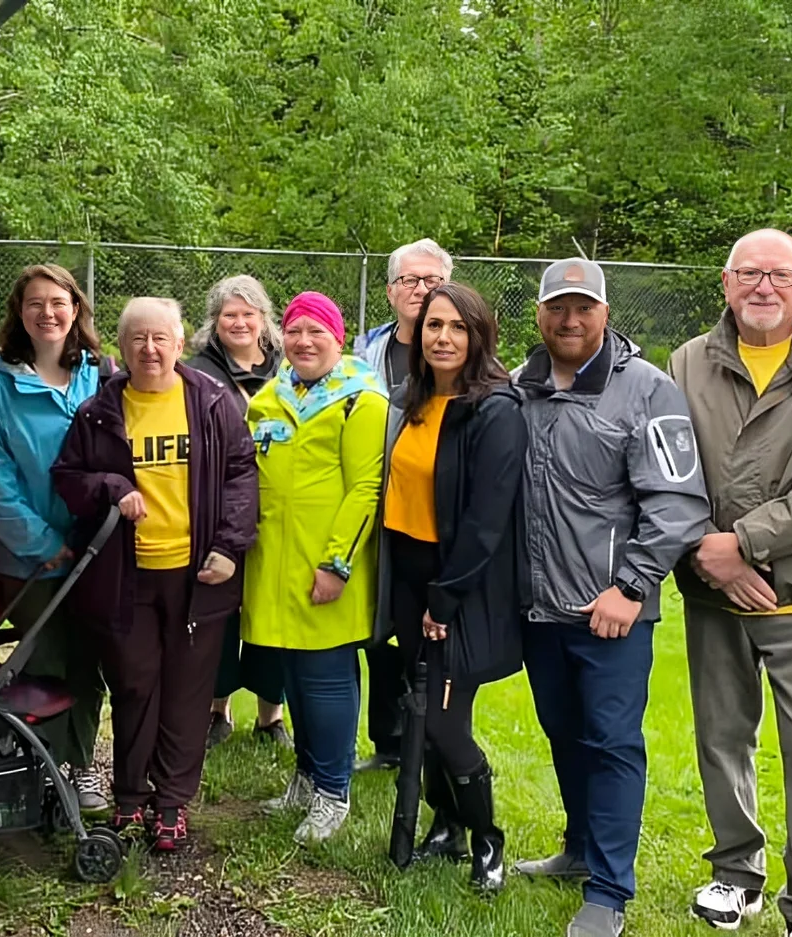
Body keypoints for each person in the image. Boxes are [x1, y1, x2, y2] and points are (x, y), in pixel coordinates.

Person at [668, 229, 792, 937]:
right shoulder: (687, 361)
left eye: (780, 275)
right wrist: (707, 553)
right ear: (726, 283)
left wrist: (745, 545)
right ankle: (735, 874)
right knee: (722, 739)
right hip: (712, 596)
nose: (764, 286)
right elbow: (669, 472)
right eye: (750, 273)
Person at [511, 258, 708, 937]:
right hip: (540, 610)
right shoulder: (521, 386)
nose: (570, 320)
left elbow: (679, 504)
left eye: (583, 307)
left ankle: (609, 892)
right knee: (564, 733)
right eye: (557, 307)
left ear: (604, 311)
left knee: (613, 743)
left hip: (612, 614)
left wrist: (630, 587)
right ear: (539, 313)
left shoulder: (649, 390)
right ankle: (578, 848)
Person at [52, 296, 257, 852]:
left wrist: (229, 546)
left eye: (160, 337)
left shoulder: (210, 401)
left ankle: (171, 804)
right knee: (134, 684)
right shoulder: (99, 412)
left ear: (180, 342)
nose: (149, 349)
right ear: (121, 346)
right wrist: (113, 487)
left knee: (187, 692)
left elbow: (241, 474)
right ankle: (130, 796)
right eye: (138, 338)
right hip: (127, 576)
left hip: (197, 576)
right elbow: (69, 478)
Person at [377, 282, 527, 891]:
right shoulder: (411, 400)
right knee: (419, 713)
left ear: (479, 335)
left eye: (457, 327)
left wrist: (445, 598)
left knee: (442, 722)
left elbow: (486, 520)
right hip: (407, 579)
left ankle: (488, 839)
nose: (443, 337)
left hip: (457, 586)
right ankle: (447, 824)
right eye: (434, 325)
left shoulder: (496, 411)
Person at [244, 292, 388, 844]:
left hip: (327, 567)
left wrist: (336, 564)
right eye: (294, 331)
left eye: (316, 332)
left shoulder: (361, 402)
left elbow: (366, 489)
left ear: (338, 338)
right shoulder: (268, 400)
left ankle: (333, 791)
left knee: (326, 680)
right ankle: (305, 778)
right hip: (273, 567)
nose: (304, 342)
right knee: (294, 680)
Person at [0, 263, 111, 811]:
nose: (47, 313)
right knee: (46, 666)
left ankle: (81, 769)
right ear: (20, 313)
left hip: (98, 553)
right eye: (35, 303)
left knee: (88, 666)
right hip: (32, 560)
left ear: (75, 310)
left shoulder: (101, 375)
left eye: (58, 302)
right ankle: (44, 773)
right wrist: (42, 542)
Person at [352, 238, 454, 772]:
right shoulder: (365, 355)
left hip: (434, 522)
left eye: (432, 280)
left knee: (430, 639)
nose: (420, 289)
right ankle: (388, 742)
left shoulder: (463, 353)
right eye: (409, 280)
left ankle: (437, 747)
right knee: (378, 630)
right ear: (391, 291)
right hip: (375, 510)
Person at [185, 274, 290, 750]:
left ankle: (271, 715)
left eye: (249, 313)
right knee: (220, 612)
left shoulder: (289, 368)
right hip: (219, 509)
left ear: (264, 319)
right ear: (215, 322)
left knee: (271, 610)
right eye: (230, 314)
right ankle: (217, 709)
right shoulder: (197, 373)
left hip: (279, 511)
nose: (240, 322)